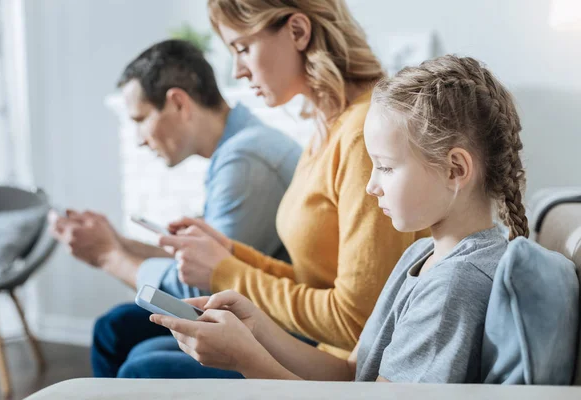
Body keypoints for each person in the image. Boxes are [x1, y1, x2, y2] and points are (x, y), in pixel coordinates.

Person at [152, 55, 530, 383]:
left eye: (385, 167)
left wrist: (245, 361)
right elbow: (353, 373)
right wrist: (259, 331)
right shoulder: (422, 256)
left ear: (455, 169)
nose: (371, 187)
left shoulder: (455, 286)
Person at [117, 0, 428, 379]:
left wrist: (226, 273)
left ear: (298, 32)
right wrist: (231, 253)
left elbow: (357, 321)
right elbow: (316, 278)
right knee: (134, 348)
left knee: (142, 368)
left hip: (342, 363)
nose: (238, 70)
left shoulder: (363, 134)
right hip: (324, 349)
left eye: (243, 48)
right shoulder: (326, 129)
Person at [48, 39, 302, 377]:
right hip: (256, 309)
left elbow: (202, 287)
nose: (139, 138)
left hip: (287, 330)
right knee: (114, 328)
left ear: (178, 103)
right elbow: (198, 264)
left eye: (140, 119)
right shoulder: (236, 149)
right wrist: (116, 241)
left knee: (140, 363)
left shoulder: (245, 160)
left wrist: (107, 256)